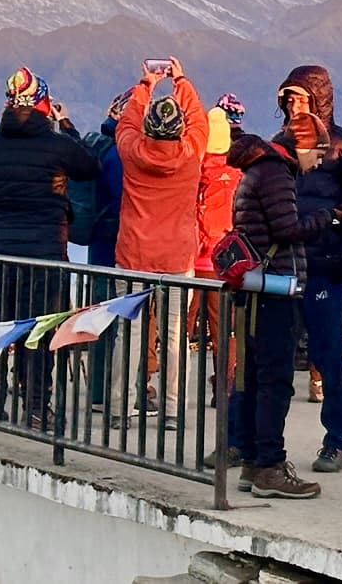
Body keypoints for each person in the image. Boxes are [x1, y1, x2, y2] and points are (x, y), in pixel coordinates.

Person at [0, 67, 101, 427]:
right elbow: (90, 167)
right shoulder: (57, 145)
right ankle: (37, 407)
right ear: (44, 104)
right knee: (39, 331)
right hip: (45, 256)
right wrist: (65, 124)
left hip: (0, 254)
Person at [274, 66, 342, 473]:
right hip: (282, 265)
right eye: (288, 98)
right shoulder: (278, 146)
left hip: (326, 265)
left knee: (330, 357)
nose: (293, 105)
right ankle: (255, 442)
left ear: (319, 100)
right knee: (272, 358)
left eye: (301, 98)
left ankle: (337, 441)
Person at [222, 126, 341, 499]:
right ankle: (270, 467)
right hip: (274, 290)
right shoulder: (277, 173)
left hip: (256, 290)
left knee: (256, 379)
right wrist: (326, 217)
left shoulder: (257, 170)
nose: (318, 162)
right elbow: (287, 229)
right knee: (275, 381)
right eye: (317, 153)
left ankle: (253, 463)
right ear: (301, 147)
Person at [112, 58, 210, 424]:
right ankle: (172, 410)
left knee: (130, 333)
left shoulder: (132, 151)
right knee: (174, 337)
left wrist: (146, 83)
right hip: (176, 257)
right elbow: (199, 119)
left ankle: (121, 407)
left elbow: (126, 120)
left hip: (133, 254)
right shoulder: (191, 154)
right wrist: (180, 80)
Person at [84, 90, 129, 408]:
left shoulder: (100, 148)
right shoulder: (119, 156)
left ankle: (100, 389)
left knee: (99, 317)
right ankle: (108, 391)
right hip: (116, 243)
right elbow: (123, 199)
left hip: (98, 242)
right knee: (115, 320)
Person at [195, 107, 241, 343]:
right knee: (223, 327)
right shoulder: (238, 173)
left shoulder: (194, 171)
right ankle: (227, 377)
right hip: (225, 260)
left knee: (178, 327)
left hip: (193, 261)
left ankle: (175, 377)